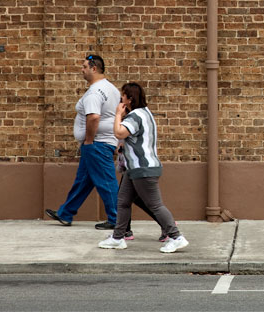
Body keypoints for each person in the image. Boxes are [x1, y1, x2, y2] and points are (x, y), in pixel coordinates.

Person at [98, 82, 188, 253]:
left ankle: (176, 237)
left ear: (129, 99)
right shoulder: (145, 113)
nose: (120, 99)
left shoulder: (135, 116)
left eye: (122, 96)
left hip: (143, 168)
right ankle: (118, 238)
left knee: (155, 205)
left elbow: (119, 133)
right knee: (123, 202)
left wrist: (118, 114)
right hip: (135, 169)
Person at [45, 54, 120, 229]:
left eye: (84, 66)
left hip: (97, 144)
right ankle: (66, 213)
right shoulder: (111, 89)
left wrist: (88, 140)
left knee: (107, 182)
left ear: (94, 69)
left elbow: (93, 117)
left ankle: (117, 220)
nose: (82, 70)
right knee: (83, 181)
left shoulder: (95, 92)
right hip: (102, 142)